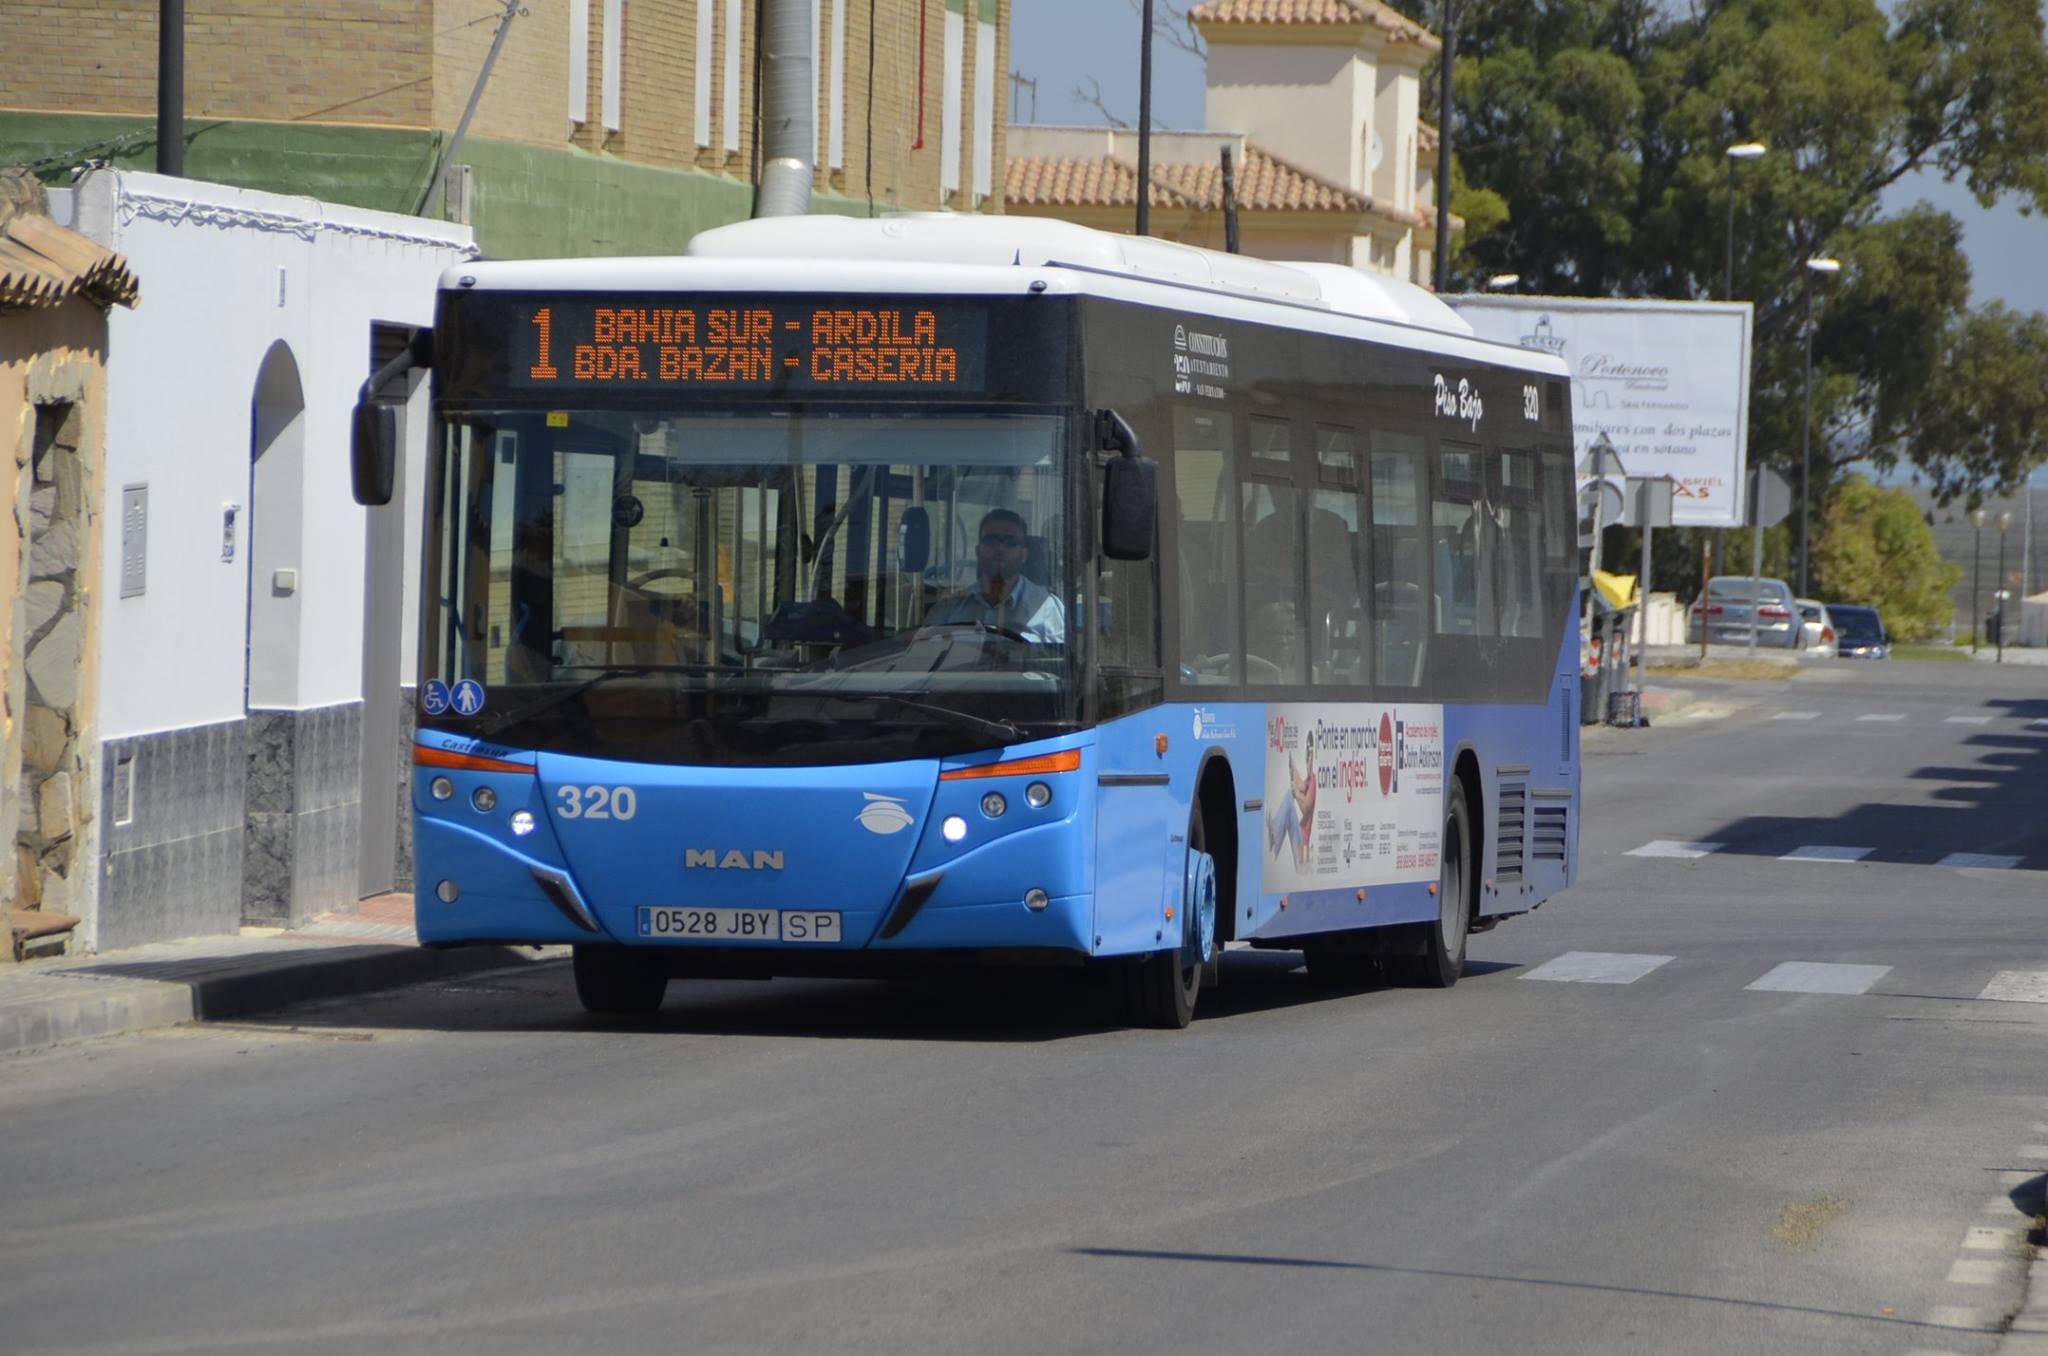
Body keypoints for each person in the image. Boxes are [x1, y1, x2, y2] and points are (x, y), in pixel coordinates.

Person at [921, 507, 1066, 643]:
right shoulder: (950, 608)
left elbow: (1058, 664)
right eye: (991, 541)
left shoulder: (1048, 608)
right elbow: (923, 656)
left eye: (1011, 542)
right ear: (978, 551)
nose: (1000, 548)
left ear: (1024, 554)